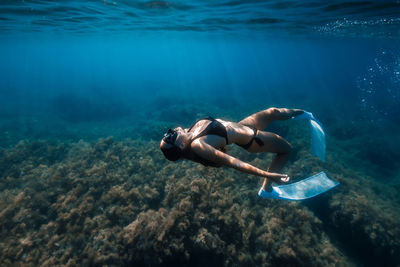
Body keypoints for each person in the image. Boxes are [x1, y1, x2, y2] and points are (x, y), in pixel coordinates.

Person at [160, 107, 304, 191]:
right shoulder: (198, 146)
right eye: (171, 137)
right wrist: (269, 175)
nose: (172, 132)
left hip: (242, 126)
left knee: (273, 111)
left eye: (168, 133)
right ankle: (267, 188)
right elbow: (234, 163)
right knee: (286, 149)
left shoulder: (189, 132)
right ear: (181, 146)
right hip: (253, 139)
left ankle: (305, 114)